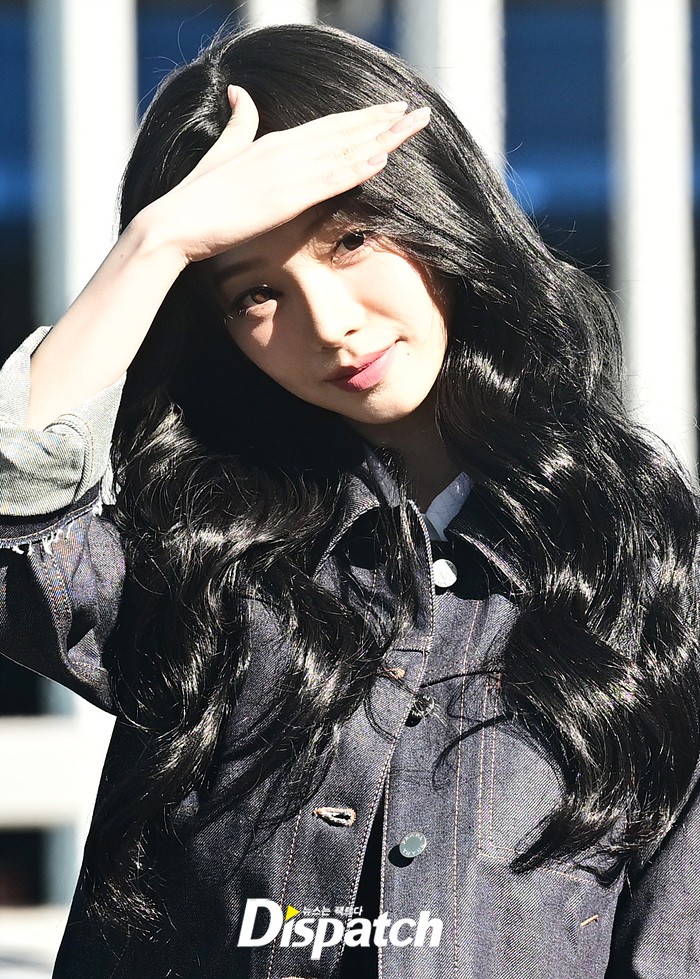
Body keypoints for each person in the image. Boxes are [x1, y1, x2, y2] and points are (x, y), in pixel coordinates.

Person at [1, 21, 699, 979]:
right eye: (254, 294)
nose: (330, 324)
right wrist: (157, 243)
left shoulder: (649, 569)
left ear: (437, 209)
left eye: (352, 239)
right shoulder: (192, 563)